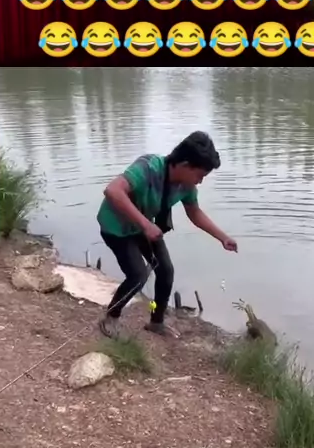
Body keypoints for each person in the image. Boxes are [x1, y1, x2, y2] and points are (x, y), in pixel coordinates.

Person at [97, 131, 238, 338]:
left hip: (143, 227)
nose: (200, 182)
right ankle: (111, 317)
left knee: (166, 271)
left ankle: (156, 322)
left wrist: (223, 237)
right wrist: (146, 224)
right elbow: (112, 191)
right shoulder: (148, 168)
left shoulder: (186, 186)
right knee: (138, 275)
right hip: (116, 227)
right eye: (200, 175)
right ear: (184, 165)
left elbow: (194, 213)